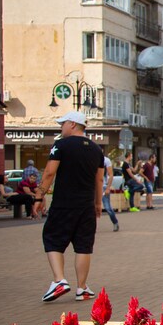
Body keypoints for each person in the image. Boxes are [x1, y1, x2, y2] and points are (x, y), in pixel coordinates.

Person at [34, 111, 105, 302]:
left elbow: (50, 173)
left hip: (64, 204)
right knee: (83, 246)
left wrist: (39, 197)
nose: (61, 127)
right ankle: (82, 288)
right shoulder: (97, 150)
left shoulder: (61, 145)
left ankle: (59, 280)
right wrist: (98, 203)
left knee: (52, 238)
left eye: (62, 123)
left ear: (73, 124)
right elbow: (99, 179)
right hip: (87, 206)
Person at [101, 155, 119, 231]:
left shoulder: (106, 160)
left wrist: (108, 188)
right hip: (93, 187)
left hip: (103, 186)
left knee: (107, 207)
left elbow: (111, 174)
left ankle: (115, 222)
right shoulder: (91, 159)